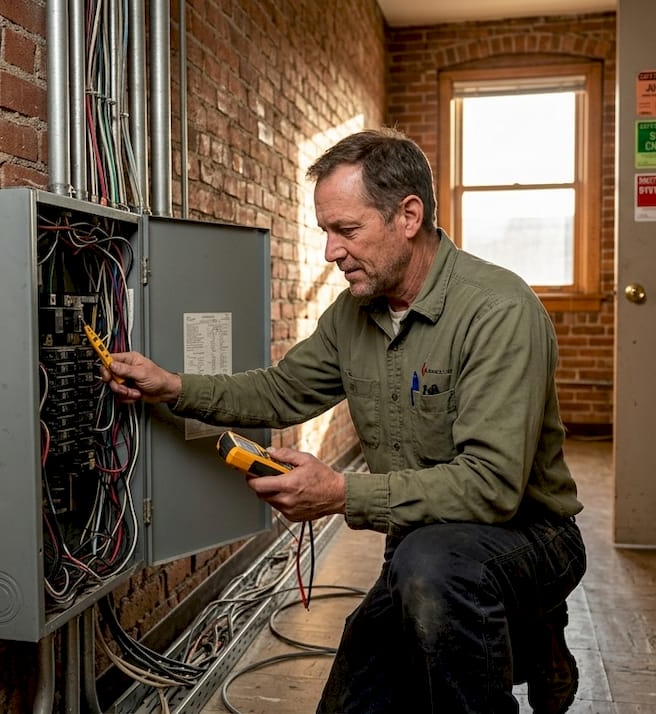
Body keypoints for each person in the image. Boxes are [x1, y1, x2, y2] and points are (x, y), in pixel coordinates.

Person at [102, 128, 586, 713]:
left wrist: (338, 493)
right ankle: (522, 639)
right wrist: (174, 387)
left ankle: (532, 628)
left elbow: (491, 486)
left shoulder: (499, 311)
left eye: (347, 231)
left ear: (409, 215)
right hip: (420, 547)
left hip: (528, 536)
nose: (331, 251)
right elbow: (283, 391)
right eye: (326, 231)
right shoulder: (355, 312)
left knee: (433, 579)